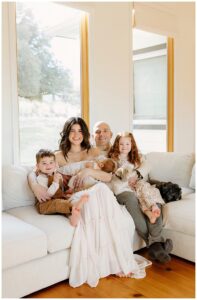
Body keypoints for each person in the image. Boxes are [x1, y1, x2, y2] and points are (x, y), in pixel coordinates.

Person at [28, 117, 151, 288]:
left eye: (80, 131)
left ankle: (116, 261)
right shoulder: (57, 156)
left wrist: (87, 171)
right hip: (74, 196)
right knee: (93, 198)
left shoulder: (92, 152)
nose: (76, 134)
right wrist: (34, 185)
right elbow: (34, 170)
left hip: (93, 189)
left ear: (85, 134)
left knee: (101, 191)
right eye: (72, 130)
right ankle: (105, 263)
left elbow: (109, 176)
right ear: (67, 133)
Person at [93, 123, 173, 263]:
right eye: (98, 132)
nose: (102, 135)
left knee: (153, 196)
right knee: (133, 199)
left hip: (138, 185)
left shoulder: (137, 156)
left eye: (105, 131)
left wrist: (136, 174)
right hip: (123, 189)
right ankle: (158, 244)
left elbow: (147, 165)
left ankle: (154, 246)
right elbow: (110, 174)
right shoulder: (108, 157)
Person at [34, 148, 89, 227]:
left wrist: (67, 191)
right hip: (44, 204)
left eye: (51, 162)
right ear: (38, 166)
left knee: (63, 202)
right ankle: (74, 205)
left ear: (55, 164)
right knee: (58, 203)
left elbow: (60, 190)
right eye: (44, 163)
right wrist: (55, 182)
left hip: (58, 199)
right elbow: (48, 195)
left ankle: (73, 218)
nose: (48, 165)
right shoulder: (40, 178)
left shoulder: (56, 174)